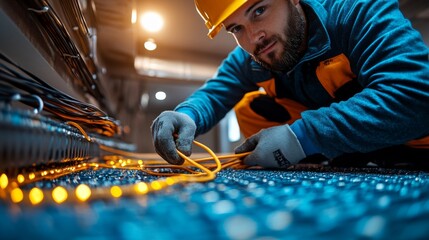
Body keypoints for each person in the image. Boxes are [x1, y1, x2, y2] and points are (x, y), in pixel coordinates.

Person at [151, 0, 429, 168]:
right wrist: (187, 114)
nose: (253, 39)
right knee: (252, 108)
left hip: (416, 147)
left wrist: (304, 136)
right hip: (345, 153)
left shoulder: (354, 10)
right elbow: (215, 94)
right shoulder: (251, 57)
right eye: (235, 28)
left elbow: (415, 95)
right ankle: (320, 161)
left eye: (259, 10)